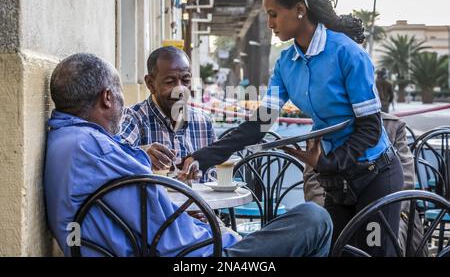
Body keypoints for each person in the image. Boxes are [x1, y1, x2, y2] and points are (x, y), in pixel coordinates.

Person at [181, 0, 404, 256]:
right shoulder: (286, 64)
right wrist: (200, 157)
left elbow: (371, 129)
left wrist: (328, 161)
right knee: (335, 251)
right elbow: (258, 124)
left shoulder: (348, 53)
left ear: (299, 10)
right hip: (337, 179)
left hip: (376, 175)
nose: (270, 22)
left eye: (273, 14)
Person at [44, 53, 332, 257]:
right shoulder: (98, 147)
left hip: (172, 241)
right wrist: (224, 236)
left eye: (185, 79)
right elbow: (168, 234)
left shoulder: (67, 136)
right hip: (194, 254)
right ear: (107, 97)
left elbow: (151, 215)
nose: (180, 89)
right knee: (314, 219)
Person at [118, 46, 216, 173]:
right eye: (170, 82)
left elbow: (214, 175)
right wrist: (140, 153)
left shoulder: (203, 122)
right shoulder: (134, 118)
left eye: (185, 80)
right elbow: (112, 154)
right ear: (150, 84)